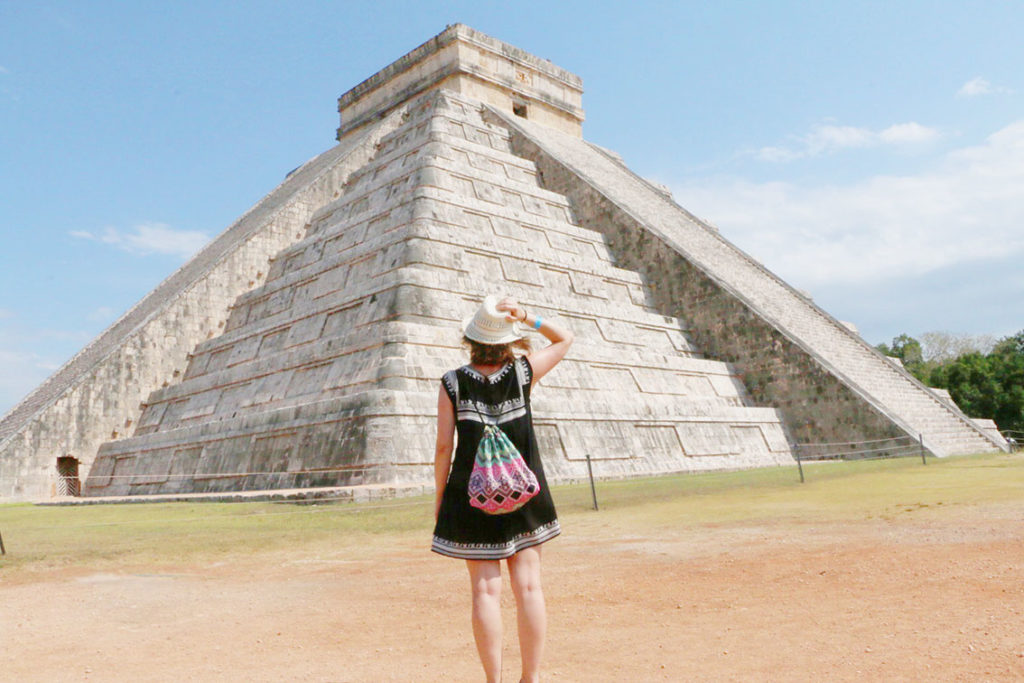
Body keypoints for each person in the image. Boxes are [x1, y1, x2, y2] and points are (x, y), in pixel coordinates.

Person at [432, 295, 574, 683]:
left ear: (471, 339)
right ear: (506, 339)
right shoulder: (523, 372)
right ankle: (530, 678)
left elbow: (445, 446)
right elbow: (564, 339)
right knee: (529, 588)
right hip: (526, 495)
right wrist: (528, 316)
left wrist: (441, 497)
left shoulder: (452, 382)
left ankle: (494, 681)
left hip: (471, 496)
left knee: (484, 594)